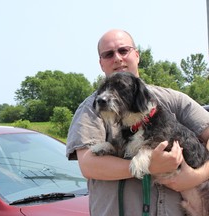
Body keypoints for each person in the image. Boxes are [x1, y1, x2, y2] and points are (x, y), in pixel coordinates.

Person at [66, 29, 209, 216]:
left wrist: (198, 176)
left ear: (136, 55)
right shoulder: (92, 108)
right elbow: (89, 165)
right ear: (101, 63)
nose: (117, 58)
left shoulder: (173, 99)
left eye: (123, 51)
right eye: (109, 54)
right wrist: (150, 166)